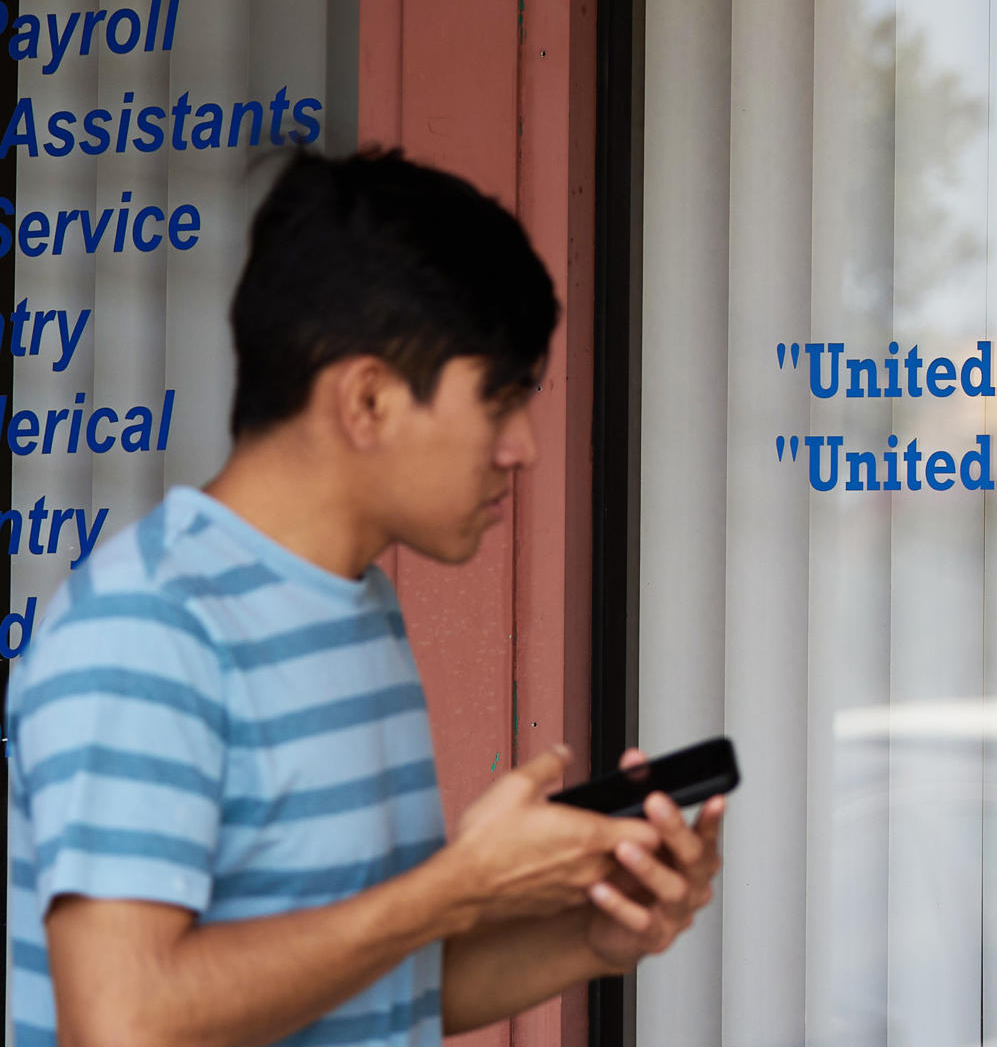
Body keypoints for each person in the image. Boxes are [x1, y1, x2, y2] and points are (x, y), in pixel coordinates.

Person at [5, 150, 722, 1046]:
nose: (522, 448)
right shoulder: (146, 630)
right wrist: (455, 888)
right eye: (498, 400)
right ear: (369, 400)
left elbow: (372, 990)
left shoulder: (357, 607)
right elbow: (125, 1023)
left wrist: (592, 937)